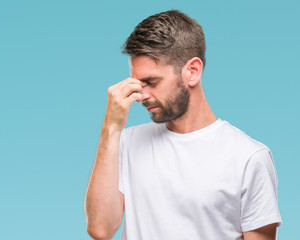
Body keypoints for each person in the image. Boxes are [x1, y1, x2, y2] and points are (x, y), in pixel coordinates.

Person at [84, 9, 282, 240]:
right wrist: (111, 127)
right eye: (137, 83)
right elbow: (100, 229)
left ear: (192, 71)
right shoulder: (127, 142)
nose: (141, 95)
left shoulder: (249, 157)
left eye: (151, 82)